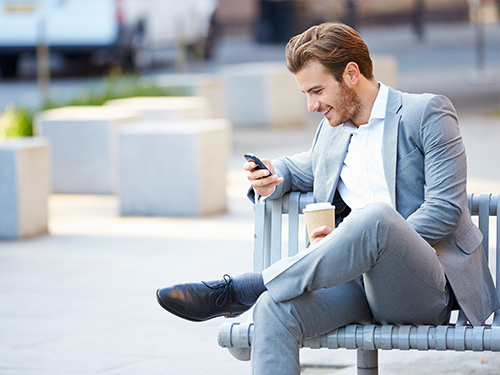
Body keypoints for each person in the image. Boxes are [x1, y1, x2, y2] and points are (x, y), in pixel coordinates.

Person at [156, 22, 499, 374]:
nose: (311, 105)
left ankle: (244, 288)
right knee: (274, 308)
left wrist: (361, 238)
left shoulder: (427, 114)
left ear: (351, 74)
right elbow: (305, 167)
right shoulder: (333, 131)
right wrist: (273, 175)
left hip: (422, 288)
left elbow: (444, 211)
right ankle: (259, 294)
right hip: (354, 287)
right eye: (306, 93)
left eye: (317, 90)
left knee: (376, 218)